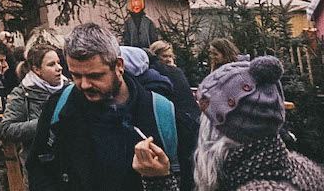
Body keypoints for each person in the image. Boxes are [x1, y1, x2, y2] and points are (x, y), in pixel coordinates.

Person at [27, 23, 195, 191]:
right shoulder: (60, 106)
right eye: (76, 75)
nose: (84, 84)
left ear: (119, 66)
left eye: (95, 76)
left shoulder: (160, 112)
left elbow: (190, 180)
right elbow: (38, 168)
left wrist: (161, 179)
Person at [133, 55, 324, 191]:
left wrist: (158, 184)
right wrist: (159, 178)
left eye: (205, 116)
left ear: (217, 133)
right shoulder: (299, 167)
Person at [1, 43, 65, 151]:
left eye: (58, 63)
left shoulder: (70, 88)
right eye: (51, 64)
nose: (59, 68)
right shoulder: (23, 92)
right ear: (37, 70)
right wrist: (44, 123)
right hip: (38, 159)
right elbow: (7, 129)